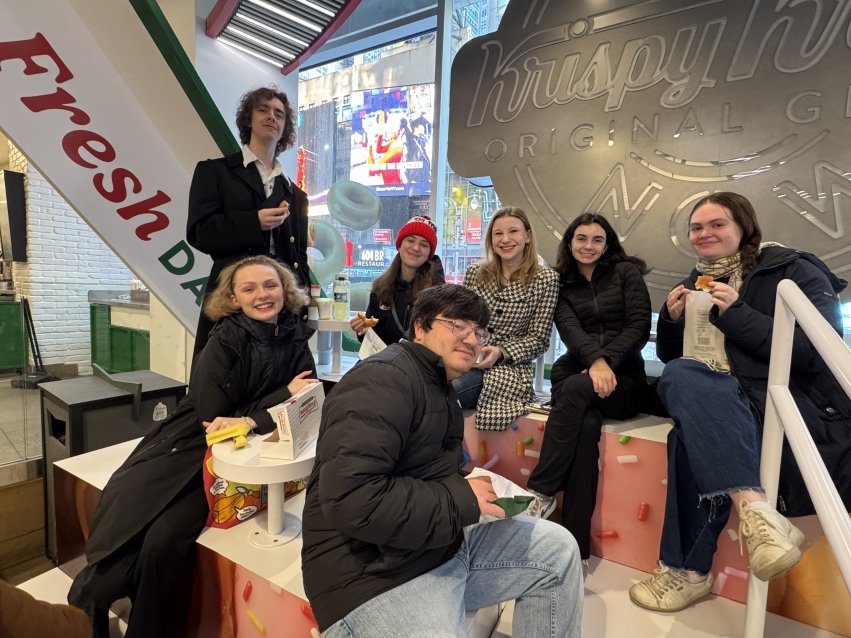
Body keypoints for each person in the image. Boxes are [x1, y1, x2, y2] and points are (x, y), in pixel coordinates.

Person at [301, 284, 583, 637]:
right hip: (374, 575)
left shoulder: (437, 384)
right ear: (420, 327)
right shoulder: (383, 379)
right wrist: (462, 498)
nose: (471, 338)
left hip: (436, 544)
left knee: (557, 550)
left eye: (478, 331)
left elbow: (423, 469)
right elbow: (351, 498)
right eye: (457, 326)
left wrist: (473, 488)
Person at [68, 256, 317, 638]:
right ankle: (94, 602)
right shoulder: (225, 339)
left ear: (285, 290)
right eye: (249, 288)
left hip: (245, 455)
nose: (262, 295)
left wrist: (257, 416)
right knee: (133, 512)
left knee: (165, 539)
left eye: (270, 285)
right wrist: (273, 403)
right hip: (190, 446)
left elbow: (304, 402)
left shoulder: (295, 335)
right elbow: (212, 418)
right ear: (234, 298)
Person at [629, 192, 851, 612]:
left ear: (743, 228)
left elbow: (815, 350)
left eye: (717, 225)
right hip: (721, 398)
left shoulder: (793, 270)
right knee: (680, 381)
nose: (704, 234)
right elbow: (678, 359)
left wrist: (738, 313)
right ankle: (759, 517)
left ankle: (686, 571)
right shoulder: (694, 279)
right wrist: (672, 321)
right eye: (697, 227)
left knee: (686, 439)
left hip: (787, 404)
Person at [525, 213, 651, 561]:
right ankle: (576, 544)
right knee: (585, 427)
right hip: (579, 371)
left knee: (578, 390)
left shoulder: (626, 273)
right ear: (569, 242)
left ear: (607, 244)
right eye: (581, 238)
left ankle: (541, 490)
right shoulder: (562, 283)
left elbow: (638, 326)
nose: (589, 246)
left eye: (597, 239)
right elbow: (569, 331)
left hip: (624, 379)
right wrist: (594, 363)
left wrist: (605, 361)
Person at [187, 86, 310, 357]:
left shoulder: (296, 194)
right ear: (248, 119)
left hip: (281, 308)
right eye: (263, 109)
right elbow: (200, 233)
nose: (271, 117)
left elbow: (299, 256)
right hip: (233, 299)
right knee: (224, 379)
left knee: (284, 385)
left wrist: (305, 305)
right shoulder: (215, 172)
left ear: (285, 127)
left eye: (279, 114)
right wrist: (254, 223)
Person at [455, 206, 559, 450]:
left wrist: (500, 351)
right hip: (467, 356)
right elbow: (462, 320)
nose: (505, 239)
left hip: (507, 370)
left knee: (447, 393)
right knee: (421, 387)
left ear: (528, 236)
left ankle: (446, 464)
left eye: (513, 231)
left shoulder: (546, 279)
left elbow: (539, 339)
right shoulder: (475, 273)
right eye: (497, 233)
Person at [349, 215, 444, 345]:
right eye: (411, 240)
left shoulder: (438, 294)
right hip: (384, 362)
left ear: (429, 254)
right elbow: (374, 339)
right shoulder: (381, 288)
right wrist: (363, 331)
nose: (416, 248)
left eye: (424, 245)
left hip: (417, 364)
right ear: (399, 245)